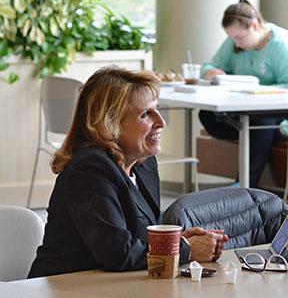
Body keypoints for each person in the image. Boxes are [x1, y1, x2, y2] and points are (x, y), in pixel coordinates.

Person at [29, 67, 229, 278]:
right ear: (109, 123)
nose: (162, 122)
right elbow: (117, 253)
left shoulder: (144, 163)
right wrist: (185, 249)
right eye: (146, 114)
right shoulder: (89, 170)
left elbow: (140, 237)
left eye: (157, 109)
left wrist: (175, 241)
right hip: (66, 293)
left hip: (111, 289)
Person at [199, 0, 288, 188]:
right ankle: (244, 181)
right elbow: (210, 65)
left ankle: (243, 186)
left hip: (281, 111)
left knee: (260, 122)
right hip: (244, 108)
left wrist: (260, 92)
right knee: (207, 115)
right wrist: (211, 72)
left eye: (240, 38)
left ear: (255, 25)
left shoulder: (283, 45)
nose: (237, 44)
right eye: (233, 38)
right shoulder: (234, 42)